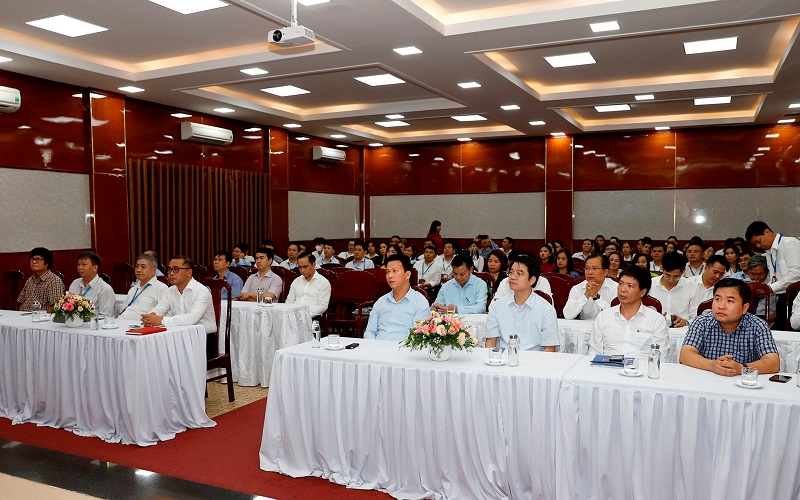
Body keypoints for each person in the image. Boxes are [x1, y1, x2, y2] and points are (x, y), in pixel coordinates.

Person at [679, 278, 779, 376]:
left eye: (730, 301)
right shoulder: (701, 322)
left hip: (742, 385)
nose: (721, 306)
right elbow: (685, 355)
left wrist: (741, 368)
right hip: (707, 382)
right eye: (717, 299)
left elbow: (773, 362)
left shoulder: (758, 326)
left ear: (744, 308)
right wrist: (713, 365)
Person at [141, 255, 217, 359]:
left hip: (203, 339)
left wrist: (161, 320)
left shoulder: (201, 291)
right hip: (179, 336)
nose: (171, 273)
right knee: (154, 352)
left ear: (189, 272)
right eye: (169, 269)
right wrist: (149, 318)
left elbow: (192, 318)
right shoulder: (170, 291)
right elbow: (159, 309)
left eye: (176, 269)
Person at [588, 265, 670, 358]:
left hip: (642, 370)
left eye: (630, 286)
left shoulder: (656, 320)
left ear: (642, 292)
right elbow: (593, 353)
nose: (622, 289)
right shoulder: (603, 317)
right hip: (607, 368)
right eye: (620, 284)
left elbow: (660, 357)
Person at [484, 254, 559, 351]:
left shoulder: (546, 309)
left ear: (532, 280)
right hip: (504, 360)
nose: (512, 277)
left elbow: (549, 348)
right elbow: (490, 341)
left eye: (519, 274)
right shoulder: (497, 306)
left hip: (535, 362)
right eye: (511, 272)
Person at [363, 255, 430, 341]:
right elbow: (370, 332)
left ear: (408, 275)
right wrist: (373, 347)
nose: (390, 275)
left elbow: (418, 336)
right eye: (387, 272)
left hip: (404, 351)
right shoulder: (381, 302)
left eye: (395, 271)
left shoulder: (420, 302)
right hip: (378, 350)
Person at [746, 221, 800, 295]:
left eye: (758, 241)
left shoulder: (789, 243)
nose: (758, 246)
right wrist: (765, 289)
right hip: (781, 295)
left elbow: (797, 273)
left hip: (796, 294)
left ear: (767, 232)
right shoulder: (769, 252)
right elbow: (774, 279)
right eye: (755, 244)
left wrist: (771, 288)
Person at [648, 252, 697, 327]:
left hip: (682, 330)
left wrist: (685, 322)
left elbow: (696, 316)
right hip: (654, 328)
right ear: (661, 268)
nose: (671, 280)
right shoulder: (650, 285)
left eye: (676, 276)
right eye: (667, 275)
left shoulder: (692, 287)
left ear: (683, 271)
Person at [563, 254, 619, 321]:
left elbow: (614, 317)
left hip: (607, 328)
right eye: (587, 268)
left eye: (594, 268)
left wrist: (596, 297)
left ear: (605, 272)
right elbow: (567, 315)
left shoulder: (615, 288)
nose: (590, 272)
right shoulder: (577, 289)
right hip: (584, 329)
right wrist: (586, 295)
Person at [118, 253, 168, 320]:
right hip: (121, 322)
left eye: (143, 267)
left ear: (153, 270)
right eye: (137, 266)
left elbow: (162, 311)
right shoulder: (133, 289)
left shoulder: (161, 288)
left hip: (140, 325)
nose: (138, 270)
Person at [17, 247, 65, 312]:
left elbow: (55, 306)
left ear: (47, 263)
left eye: (38, 259)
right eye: (32, 259)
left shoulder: (54, 281)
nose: (34, 262)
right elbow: (21, 302)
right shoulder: (30, 280)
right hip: (24, 317)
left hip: (42, 319)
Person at [67, 251, 115, 317]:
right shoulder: (75, 283)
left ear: (95, 268)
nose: (80, 268)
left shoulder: (105, 289)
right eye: (78, 264)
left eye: (84, 264)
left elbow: (105, 317)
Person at [285, 253, 331, 320]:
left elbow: (323, 306)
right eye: (300, 267)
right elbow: (289, 301)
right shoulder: (296, 281)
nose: (302, 270)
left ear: (314, 265)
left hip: (313, 316)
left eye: (305, 267)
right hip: (293, 315)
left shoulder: (323, 282)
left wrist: (307, 315)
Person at [745, 254, 777, 325]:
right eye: (752, 274)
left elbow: (781, 310)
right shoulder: (743, 284)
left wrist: (767, 320)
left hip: (768, 319)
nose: (756, 278)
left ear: (767, 272)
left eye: (760, 274)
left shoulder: (775, 285)